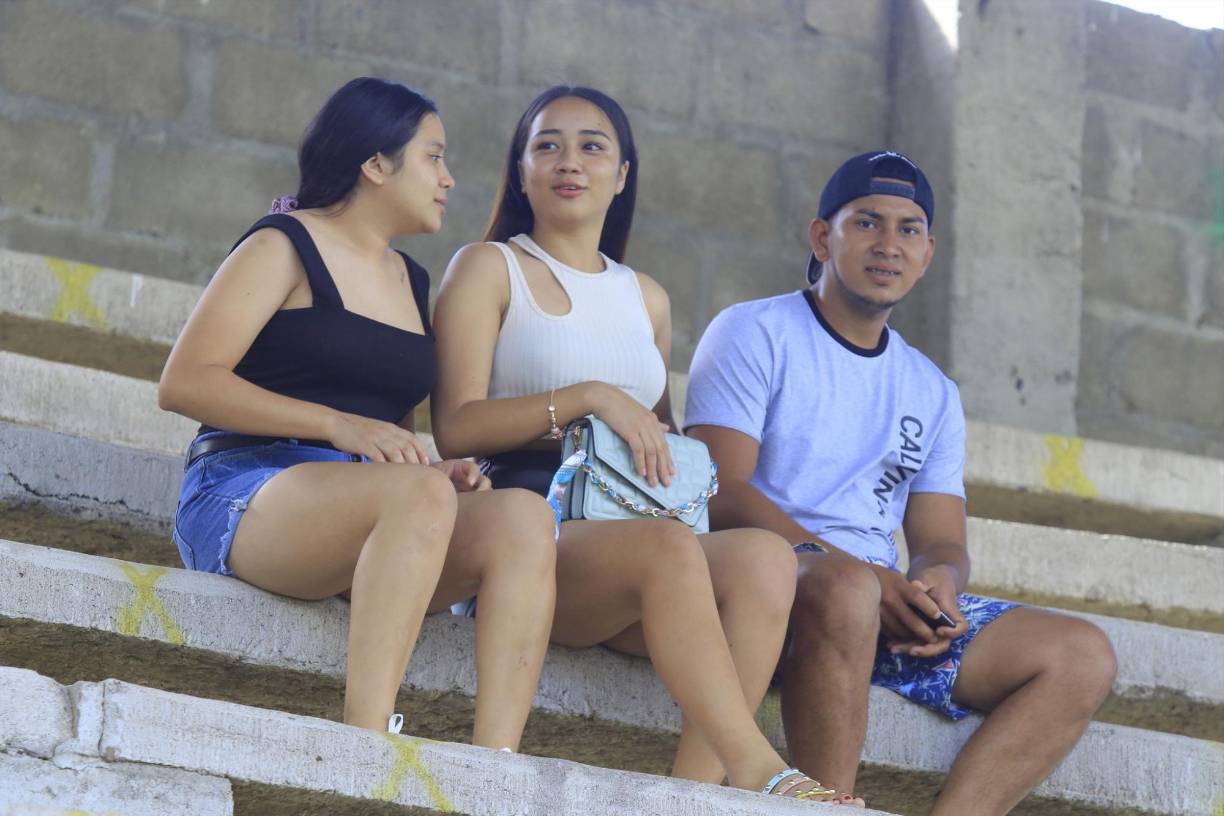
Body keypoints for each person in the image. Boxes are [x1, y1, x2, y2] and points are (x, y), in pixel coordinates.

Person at [430, 84, 863, 806]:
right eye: (548, 145)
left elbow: (656, 439)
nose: (570, 161)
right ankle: (760, 770)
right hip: (534, 537)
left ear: (623, 173)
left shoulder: (647, 298)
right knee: (667, 547)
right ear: (521, 169)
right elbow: (456, 426)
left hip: (638, 559)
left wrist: (655, 432)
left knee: (762, 557)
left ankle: (690, 796)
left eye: (592, 146)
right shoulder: (488, 267)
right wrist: (591, 396)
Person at [685, 150, 1118, 815]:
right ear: (822, 237)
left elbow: (943, 540)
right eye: (867, 223)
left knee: (1081, 655)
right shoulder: (754, 331)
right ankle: (826, 807)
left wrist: (936, 585)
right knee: (850, 585)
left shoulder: (931, 389)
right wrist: (857, 573)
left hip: (877, 606)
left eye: (908, 230)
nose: (889, 245)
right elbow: (719, 489)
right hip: (772, 590)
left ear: (928, 252)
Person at [158, 77, 557, 747]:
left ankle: (497, 763)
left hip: (371, 512)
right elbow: (185, 383)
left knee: (520, 514)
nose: (448, 178)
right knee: (419, 496)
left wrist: (432, 468)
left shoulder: (413, 278)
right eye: (433, 156)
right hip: (248, 489)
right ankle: (365, 739)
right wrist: (335, 426)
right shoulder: (284, 244)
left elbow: (388, 430)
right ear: (375, 163)